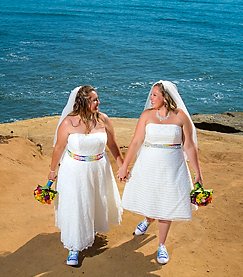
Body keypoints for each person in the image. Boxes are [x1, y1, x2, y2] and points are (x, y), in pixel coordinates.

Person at [116, 81, 203, 265]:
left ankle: (161, 244)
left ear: (166, 97)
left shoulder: (180, 117)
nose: (151, 98)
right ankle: (148, 219)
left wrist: (197, 172)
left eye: (155, 95)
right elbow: (136, 141)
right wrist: (124, 166)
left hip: (173, 167)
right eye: (152, 94)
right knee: (152, 196)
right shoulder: (146, 115)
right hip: (148, 165)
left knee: (167, 202)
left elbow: (189, 145)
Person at [48, 85, 124, 266]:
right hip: (75, 171)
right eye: (95, 100)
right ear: (83, 102)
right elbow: (58, 147)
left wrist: (122, 167)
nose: (99, 102)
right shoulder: (68, 123)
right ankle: (74, 247)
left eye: (97, 99)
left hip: (99, 168)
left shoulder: (103, 120)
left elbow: (113, 145)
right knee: (77, 204)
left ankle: (91, 228)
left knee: (96, 200)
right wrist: (52, 172)